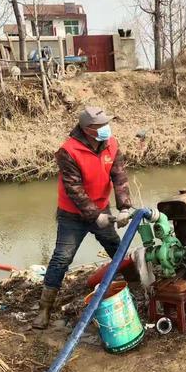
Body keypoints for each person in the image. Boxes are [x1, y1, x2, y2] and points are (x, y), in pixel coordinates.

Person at [33, 107, 133, 329]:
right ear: (88, 130)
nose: (107, 128)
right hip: (72, 215)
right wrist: (95, 216)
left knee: (117, 248)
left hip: (101, 206)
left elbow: (119, 177)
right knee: (61, 258)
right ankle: (44, 309)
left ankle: (136, 288)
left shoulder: (112, 144)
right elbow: (74, 188)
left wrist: (125, 207)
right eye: (101, 125)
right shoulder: (68, 151)